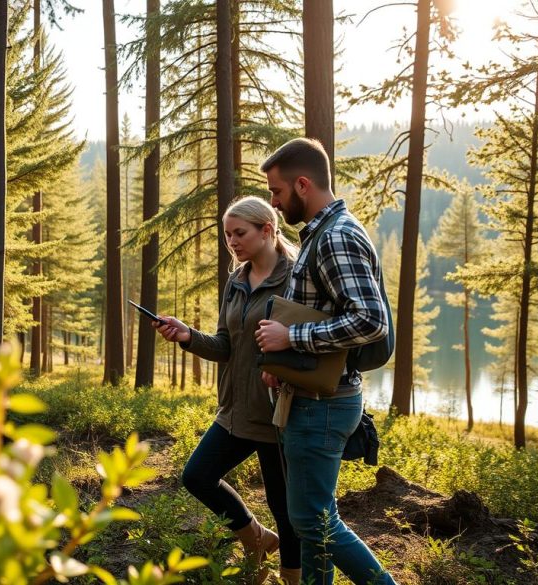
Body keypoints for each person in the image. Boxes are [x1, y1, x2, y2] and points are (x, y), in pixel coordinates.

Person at [255, 137, 397, 585]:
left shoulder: (337, 236)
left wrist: (290, 336)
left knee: (311, 520)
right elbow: (329, 312)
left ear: (302, 184)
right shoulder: (321, 233)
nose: (274, 204)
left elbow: (370, 320)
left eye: (277, 193)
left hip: (325, 403)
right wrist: (283, 360)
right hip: (313, 396)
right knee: (315, 519)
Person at [153, 196, 302, 585]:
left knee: (284, 508)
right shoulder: (237, 280)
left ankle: (292, 577)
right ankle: (256, 539)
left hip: (278, 412)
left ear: (267, 230)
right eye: (227, 234)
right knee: (197, 476)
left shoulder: (296, 277)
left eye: (240, 233)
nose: (232, 241)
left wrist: (284, 366)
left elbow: (307, 341)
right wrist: (187, 335)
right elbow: (224, 345)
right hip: (235, 409)